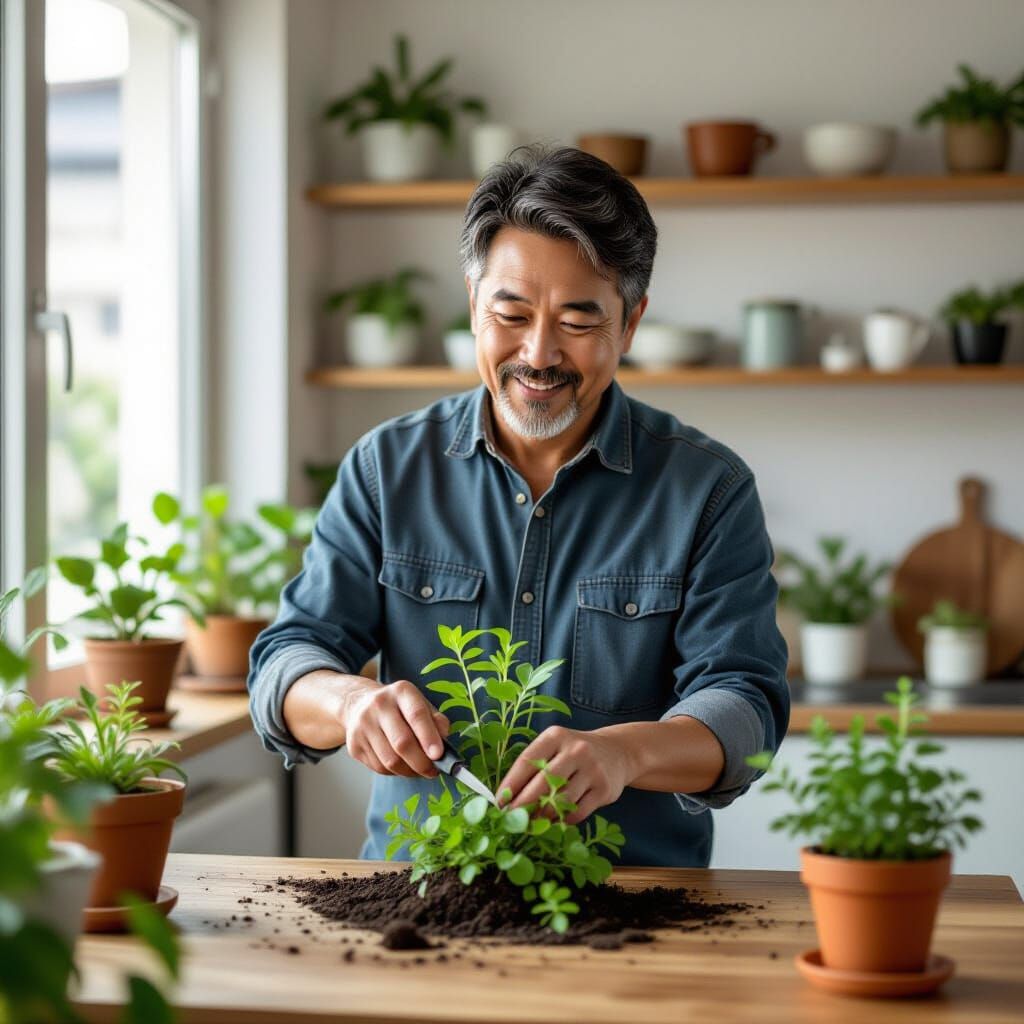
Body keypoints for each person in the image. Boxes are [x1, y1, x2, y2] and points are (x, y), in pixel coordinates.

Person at [248, 146, 789, 866]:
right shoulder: (387, 470)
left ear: (629, 325)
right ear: (474, 308)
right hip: (418, 896)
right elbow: (284, 664)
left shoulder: (708, 491)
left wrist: (625, 754)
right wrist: (351, 704)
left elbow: (746, 707)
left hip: (632, 907)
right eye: (511, 313)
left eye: (576, 321)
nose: (538, 353)